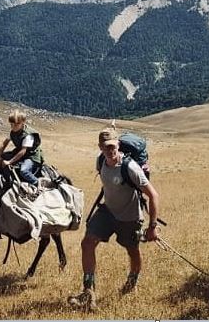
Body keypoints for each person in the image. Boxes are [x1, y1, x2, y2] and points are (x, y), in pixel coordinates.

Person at [68, 128, 160, 312]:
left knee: (132, 250)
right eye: (105, 147)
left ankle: (132, 281)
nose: (110, 150)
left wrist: (152, 227)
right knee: (87, 243)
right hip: (107, 212)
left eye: (112, 146)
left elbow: (153, 195)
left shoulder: (130, 167)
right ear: (100, 147)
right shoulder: (100, 161)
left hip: (129, 217)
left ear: (118, 145)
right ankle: (88, 290)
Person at [0, 110, 44, 185]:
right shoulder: (13, 131)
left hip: (31, 156)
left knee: (24, 171)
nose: (13, 127)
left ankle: (37, 182)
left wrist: (9, 162)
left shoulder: (28, 135)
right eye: (11, 124)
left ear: (23, 123)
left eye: (16, 124)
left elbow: (23, 151)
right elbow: (4, 144)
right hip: (20, 152)